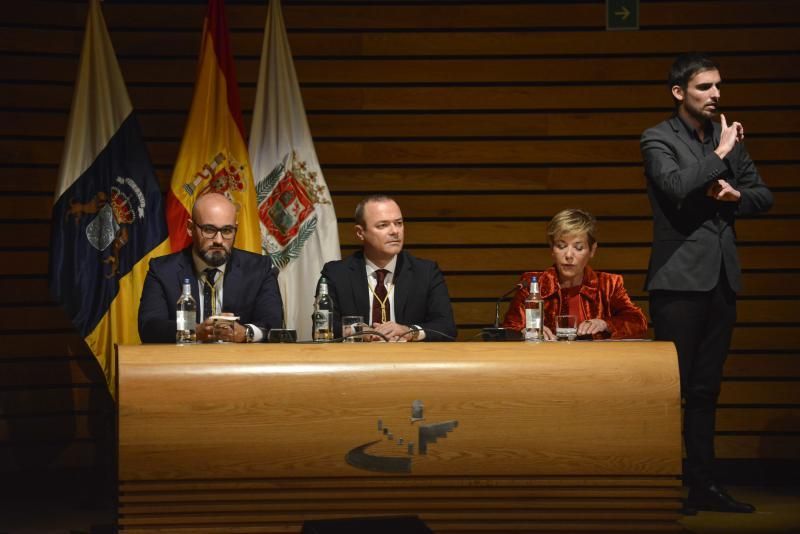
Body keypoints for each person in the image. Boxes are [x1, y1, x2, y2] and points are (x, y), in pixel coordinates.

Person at [641, 53, 773, 514]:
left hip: (720, 278)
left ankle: (703, 486)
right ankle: (660, 486)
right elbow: (675, 187)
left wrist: (736, 195)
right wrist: (720, 156)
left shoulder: (727, 134)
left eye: (718, 86)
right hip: (678, 280)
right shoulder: (658, 138)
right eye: (704, 87)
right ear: (679, 92)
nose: (716, 94)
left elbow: (763, 194)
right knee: (668, 392)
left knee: (705, 391)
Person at [139, 192, 283, 343]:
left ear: (236, 229)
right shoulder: (162, 271)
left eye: (227, 231)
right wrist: (193, 332)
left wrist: (246, 333)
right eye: (209, 230)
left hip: (240, 364)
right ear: (190, 228)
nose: (219, 241)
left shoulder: (259, 269)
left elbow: (273, 325)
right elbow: (149, 327)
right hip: (184, 364)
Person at [320, 194, 456, 342]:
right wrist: (357, 331)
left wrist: (409, 331)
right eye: (383, 225)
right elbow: (322, 325)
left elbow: (446, 327)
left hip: (410, 360)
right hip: (356, 360)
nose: (394, 231)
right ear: (360, 233)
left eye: (398, 223)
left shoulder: (426, 272)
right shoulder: (336, 274)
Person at [502, 209, 647, 340]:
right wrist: (525, 332)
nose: (569, 255)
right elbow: (509, 328)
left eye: (578, 247)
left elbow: (638, 322)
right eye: (561, 246)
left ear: (592, 250)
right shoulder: (533, 284)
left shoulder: (609, 284)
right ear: (552, 249)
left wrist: (605, 323)